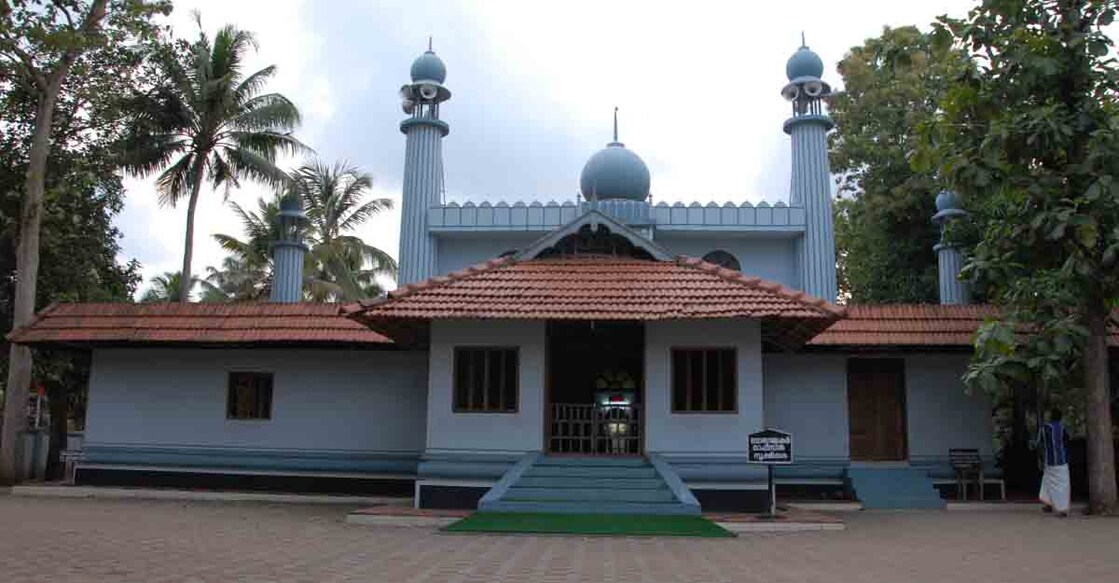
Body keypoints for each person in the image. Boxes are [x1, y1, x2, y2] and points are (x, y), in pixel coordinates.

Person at [1037, 409, 1071, 517]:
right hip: (1061, 461)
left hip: (1049, 461)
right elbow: (1067, 442)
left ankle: (1049, 504)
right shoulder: (1063, 428)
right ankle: (1061, 509)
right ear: (1060, 417)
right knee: (1062, 485)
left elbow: (1039, 445)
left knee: (1047, 482)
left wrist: (1041, 459)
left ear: (1051, 417)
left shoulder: (1044, 428)